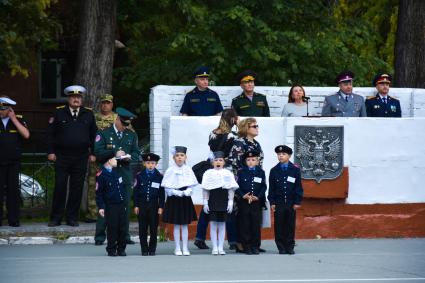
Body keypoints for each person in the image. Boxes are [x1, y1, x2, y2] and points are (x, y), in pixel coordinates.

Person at [47, 85, 97, 227]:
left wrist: (93, 153)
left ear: (81, 99)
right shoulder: (59, 113)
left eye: (79, 97)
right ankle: (56, 217)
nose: (76, 99)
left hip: (81, 157)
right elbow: (50, 134)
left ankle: (72, 218)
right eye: (73, 97)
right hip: (61, 156)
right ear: (68, 98)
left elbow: (94, 136)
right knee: (60, 186)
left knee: (77, 188)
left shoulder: (88, 114)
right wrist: (50, 151)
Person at [194, 109, 239, 250]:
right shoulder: (232, 135)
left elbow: (210, 153)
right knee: (229, 206)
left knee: (209, 206)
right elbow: (231, 156)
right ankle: (232, 241)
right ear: (232, 119)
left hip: (211, 169)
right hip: (225, 171)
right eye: (235, 118)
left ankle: (200, 237)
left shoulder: (213, 133)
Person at [94, 107, 140, 245]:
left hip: (124, 175)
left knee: (124, 207)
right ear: (117, 119)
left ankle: (124, 236)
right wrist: (114, 152)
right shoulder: (104, 133)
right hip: (108, 175)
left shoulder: (131, 135)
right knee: (105, 206)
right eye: (124, 124)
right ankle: (100, 237)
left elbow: (137, 153)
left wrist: (128, 157)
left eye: (128, 124)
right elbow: (98, 153)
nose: (125, 127)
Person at [85, 94, 118, 224]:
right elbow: (87, 136)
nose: (105, 105)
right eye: (103, 103)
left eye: (108, 103)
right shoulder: (93, 117)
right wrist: (90, 153)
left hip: (112, 158)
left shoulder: (117, 118)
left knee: (112, 184)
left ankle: (111, 211)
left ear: (112, 104)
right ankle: (93, 213)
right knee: (94, 184)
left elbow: (126, 135)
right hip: (96, 157)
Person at [161, 146, 198, 256]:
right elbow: (166, 186)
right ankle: (177, 247)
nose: (179, 158)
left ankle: (185, 247)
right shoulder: (170, 170)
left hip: (185, 198)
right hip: (174, 198)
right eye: (177, 156)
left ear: (185, 157)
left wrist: (189, 190)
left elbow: (192, 184)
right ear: (174, 158)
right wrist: (174, 192)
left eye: (182, 155)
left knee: (185, 224)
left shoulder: (188, 169)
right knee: (177, 224)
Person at [268, 145, 303, 255]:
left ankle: (290, 246)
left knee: (290, 225)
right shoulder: (274, 170)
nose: (281, 156)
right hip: (279, 202)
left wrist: (297, 201)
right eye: (279, 154)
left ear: (289, 156)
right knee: (279, 225)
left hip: (291, 202)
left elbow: (298, 187)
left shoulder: (295, 170)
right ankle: (281, 247)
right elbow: (272, 188)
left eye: (283, 154)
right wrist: (272, 202)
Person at [0, 96, 30, 227]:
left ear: (9, 109)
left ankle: (13, 219)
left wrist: (13, 119)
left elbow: (26, 135)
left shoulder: (19, 119)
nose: (1, 111)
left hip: (13, 162)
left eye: (3, 109)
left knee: (13, 191)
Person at [202, 151, 238, 255]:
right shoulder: (208, 173)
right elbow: (205, 189)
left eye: (220, 160)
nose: (218, 162)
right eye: (216, 160)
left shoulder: (228, 173)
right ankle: (214, 247)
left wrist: (230, 202)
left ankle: (221, 247)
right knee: (213, 224)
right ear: (212, 162)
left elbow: (231, 188)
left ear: (224, 162)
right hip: (212, 199)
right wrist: (205, 202)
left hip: (224, 200)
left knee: (222, 224)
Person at [235, 150, 267, 255]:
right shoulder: (241, 171)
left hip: (256, 202)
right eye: (248, 160)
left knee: (255, 224)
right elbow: (236, 186)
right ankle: (246, 246)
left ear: (257, 161)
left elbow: (263, 186)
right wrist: (243, 195)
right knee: (245, 224)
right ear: (245, 161)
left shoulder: (261, 172)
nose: (250, 162)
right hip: (244, 202)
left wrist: (258, 196)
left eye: (253, 160)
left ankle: (255, 246)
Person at [95, 154, 127, 256]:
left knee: (122, 227)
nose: (116, 161)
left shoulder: (117, 171)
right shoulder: (101, 175)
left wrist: (124, 202)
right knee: (112, 228)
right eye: (114, 159)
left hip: (121, 204)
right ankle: (111, 249)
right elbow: (99, 193)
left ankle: (121, 249)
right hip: (110, 205)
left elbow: (122, 188)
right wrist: (101, 207)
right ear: (109, 161)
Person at [133, 153, 165, 256]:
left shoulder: (159, 176)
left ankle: (152, 249)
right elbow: (136, 192)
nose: (150, 165)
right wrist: (136, 205)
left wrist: (161, 207)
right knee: (142, 228)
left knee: (153, 228)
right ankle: (144, 249)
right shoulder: (139, 175)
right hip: (142, 204)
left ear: (156, 164)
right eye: (148, 163)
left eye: (152, 163)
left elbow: (161, 193)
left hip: (153, 205)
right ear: (144, 163)